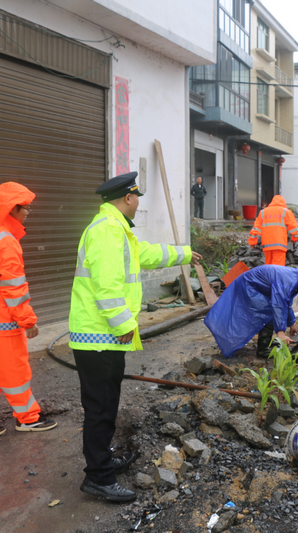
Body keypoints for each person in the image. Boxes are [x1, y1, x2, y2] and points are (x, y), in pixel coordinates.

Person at [70, 172, 201, 502]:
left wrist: (184, 254)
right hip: (97, 337)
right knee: (99, 409)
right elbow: (106, 285)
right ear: (128, 198)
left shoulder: (117, 230)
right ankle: (98, 477)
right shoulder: (106, 232)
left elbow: (148, 254)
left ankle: (104, 461)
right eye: (136, 197)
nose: (138, 202)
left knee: (107, 404)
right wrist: (123, 323)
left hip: (104, 338)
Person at [0, 182, 57, 443]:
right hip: (1, 322)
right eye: (26, 208)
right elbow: (14, 288)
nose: (28, 212)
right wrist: (28, 321)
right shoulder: (6, 242)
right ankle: (28, 419)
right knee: (15, 371)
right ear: (12, 209)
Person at [204, 265, 298, 358]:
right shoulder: (288, 281)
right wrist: (281, 333)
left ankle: (263, 344)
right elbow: (278, 305)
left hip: (253, 286)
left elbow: (286, 303)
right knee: (268, 313)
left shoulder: (295, 278)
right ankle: (262, 350)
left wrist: (291, 324)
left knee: (269, 312)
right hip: (248, 286)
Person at [248, 194, 298, 266]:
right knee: (278, 267)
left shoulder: (263, 212)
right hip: (280, 244)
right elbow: (293, 228)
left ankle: (269, 277)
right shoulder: (286, 212)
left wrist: (252, 241)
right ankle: (275, 277)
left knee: (269, 266)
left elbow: (256, 228)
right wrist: (295, 238)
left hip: (267, 245)